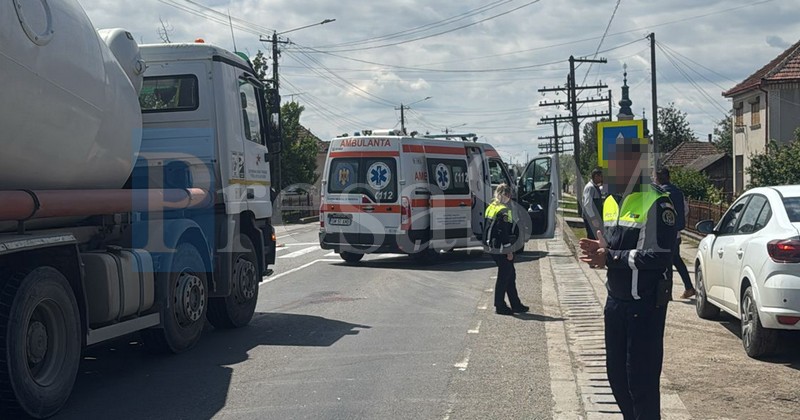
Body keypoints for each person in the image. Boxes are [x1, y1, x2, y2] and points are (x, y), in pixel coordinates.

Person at [579, 140, 677, 419]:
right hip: (616, 304)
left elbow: (658, 257)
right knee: (617, 380)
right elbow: (613, 248)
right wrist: (600, 251)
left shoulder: (658, 202)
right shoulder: (611, 202)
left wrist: (609, 258)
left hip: (644, 306)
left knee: (641, 386)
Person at [483, 183, 529, 316]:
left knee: (510, 274)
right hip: (500, 248)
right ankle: (500, 305)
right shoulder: (504, 210)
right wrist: (508, 250)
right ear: (506, 195)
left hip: (491, 245)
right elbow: (502, 231)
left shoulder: (491, 207)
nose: (510, 198)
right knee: (505, 276)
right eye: (509, 195)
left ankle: (516, 304)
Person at [655, 167, 695, 299]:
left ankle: (668, 293)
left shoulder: (659, 192)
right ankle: (688, 287)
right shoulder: (678, 192)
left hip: (662, 233)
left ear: (659, 178)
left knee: (667, 261)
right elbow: (685, 209)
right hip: (676, 232)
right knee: (675, 259)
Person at [582, 168, 605, 241]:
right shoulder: (590, 187)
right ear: (595, 176)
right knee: (592, 237)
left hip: (595, 217)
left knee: (596, 236)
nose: (602, 178)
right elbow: (588, 204)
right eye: (600, 176)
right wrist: (593, 218)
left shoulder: (595, 186)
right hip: (591, 218)